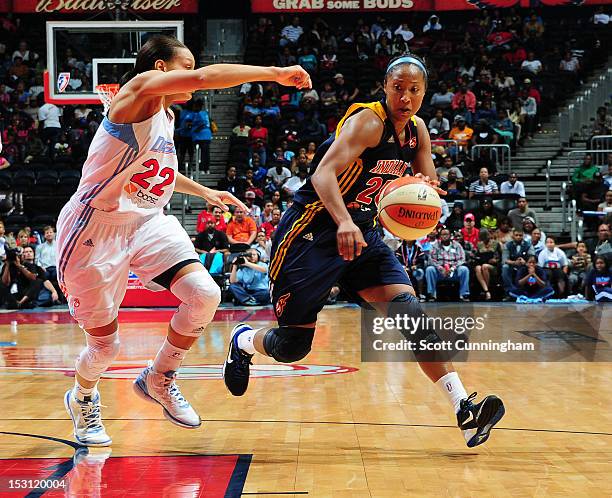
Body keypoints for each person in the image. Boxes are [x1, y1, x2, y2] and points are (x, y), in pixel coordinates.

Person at [223, 55, 504, 448]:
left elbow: (429, 182)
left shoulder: (417, 131)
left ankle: (464, 411)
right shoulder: (368, 123)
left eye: (414, 90)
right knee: (292, 346)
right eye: (398, 88)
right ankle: (243, 341)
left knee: (413, 317)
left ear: (424, 93)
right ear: (385, 88)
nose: (405, 97)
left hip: (364, 233)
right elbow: (322, 173)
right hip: (313, 233)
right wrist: (343, 221)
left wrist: (422, 190)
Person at [56, 35, 311, 446]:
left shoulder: (168, 117)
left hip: (147, 221)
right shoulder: (136, 92)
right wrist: (274, 73)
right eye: (185, 65)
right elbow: (209, 76)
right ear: (159, 69)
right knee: (105, 347)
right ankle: (83, 397)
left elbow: (157, 171)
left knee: (205, 294)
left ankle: (159, 377)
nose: (193, 75)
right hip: (94, 229)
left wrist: (207, 193)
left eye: (193, 67)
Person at [425, 228, 470, 302]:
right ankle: (432, 295)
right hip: (440, 272)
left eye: (446, 234)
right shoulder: (435, 246)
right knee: (430, 269)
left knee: (464, 269)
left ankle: (464, 294)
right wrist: (440, 268)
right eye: (442, 234)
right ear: (440, 236)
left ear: (450, 236)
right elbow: (431, 259)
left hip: (453, 272)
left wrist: (453, 268)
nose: (444, 236)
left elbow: (462, 259)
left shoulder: (457, 245)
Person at [501, 229, 534, 297]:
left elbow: (532, 258)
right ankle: (510, 290)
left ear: (523, 236)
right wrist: (514, 262)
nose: (518, 237)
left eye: (520, 235)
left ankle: (526, 292)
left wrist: (525, 262)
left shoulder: (528, 245)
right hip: (511, 264)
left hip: (524, 264)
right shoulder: (507, 245)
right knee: (505, 267)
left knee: (531, 267)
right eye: (516, 235)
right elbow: (505, 259)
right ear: (513, 236)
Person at [474, 229, 501, 301]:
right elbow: (476, 256)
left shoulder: (496, 243)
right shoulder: (479, 244)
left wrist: (496, 260)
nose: (484, 240)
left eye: (485, 237)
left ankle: (486, 290)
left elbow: (501, 257)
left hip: (493, 266)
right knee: (478, 268)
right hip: (482, 262)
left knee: (484, 266)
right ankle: (486, 291)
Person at [191, 99, 212, 174]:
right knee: (205, 153)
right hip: (206, 136)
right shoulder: (205, 113)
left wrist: (196, 129)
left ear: (197, 106)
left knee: (201, 154)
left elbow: (203, 123)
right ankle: (206, 169)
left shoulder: (199, 114)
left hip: (200, 136)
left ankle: (202, 169)